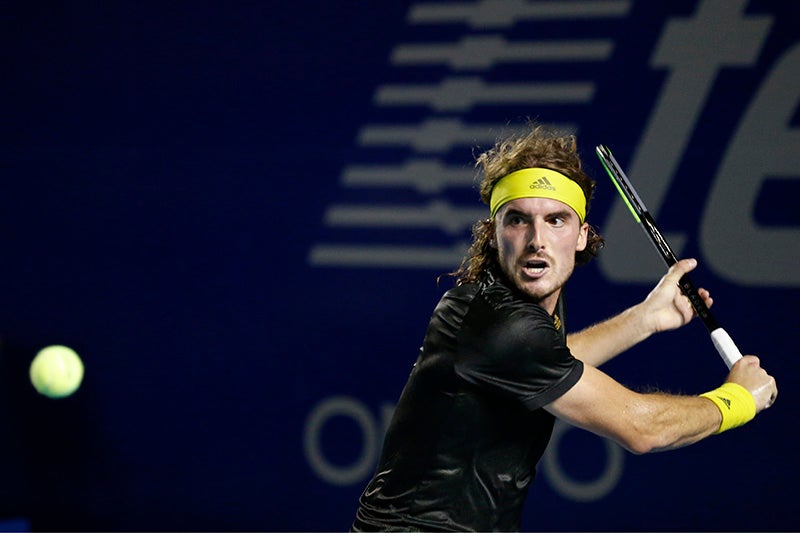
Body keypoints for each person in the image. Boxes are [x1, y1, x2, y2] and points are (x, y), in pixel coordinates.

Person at [350, 123, 777, 532]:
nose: (537, 239)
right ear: (493, 234)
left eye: (556, 220)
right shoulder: (503, 324)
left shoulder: (526, 310)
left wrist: (644, 319)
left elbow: (551, 359)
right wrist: (738, 399)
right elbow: (642, 429)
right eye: (517, 219)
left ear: (580, 235)